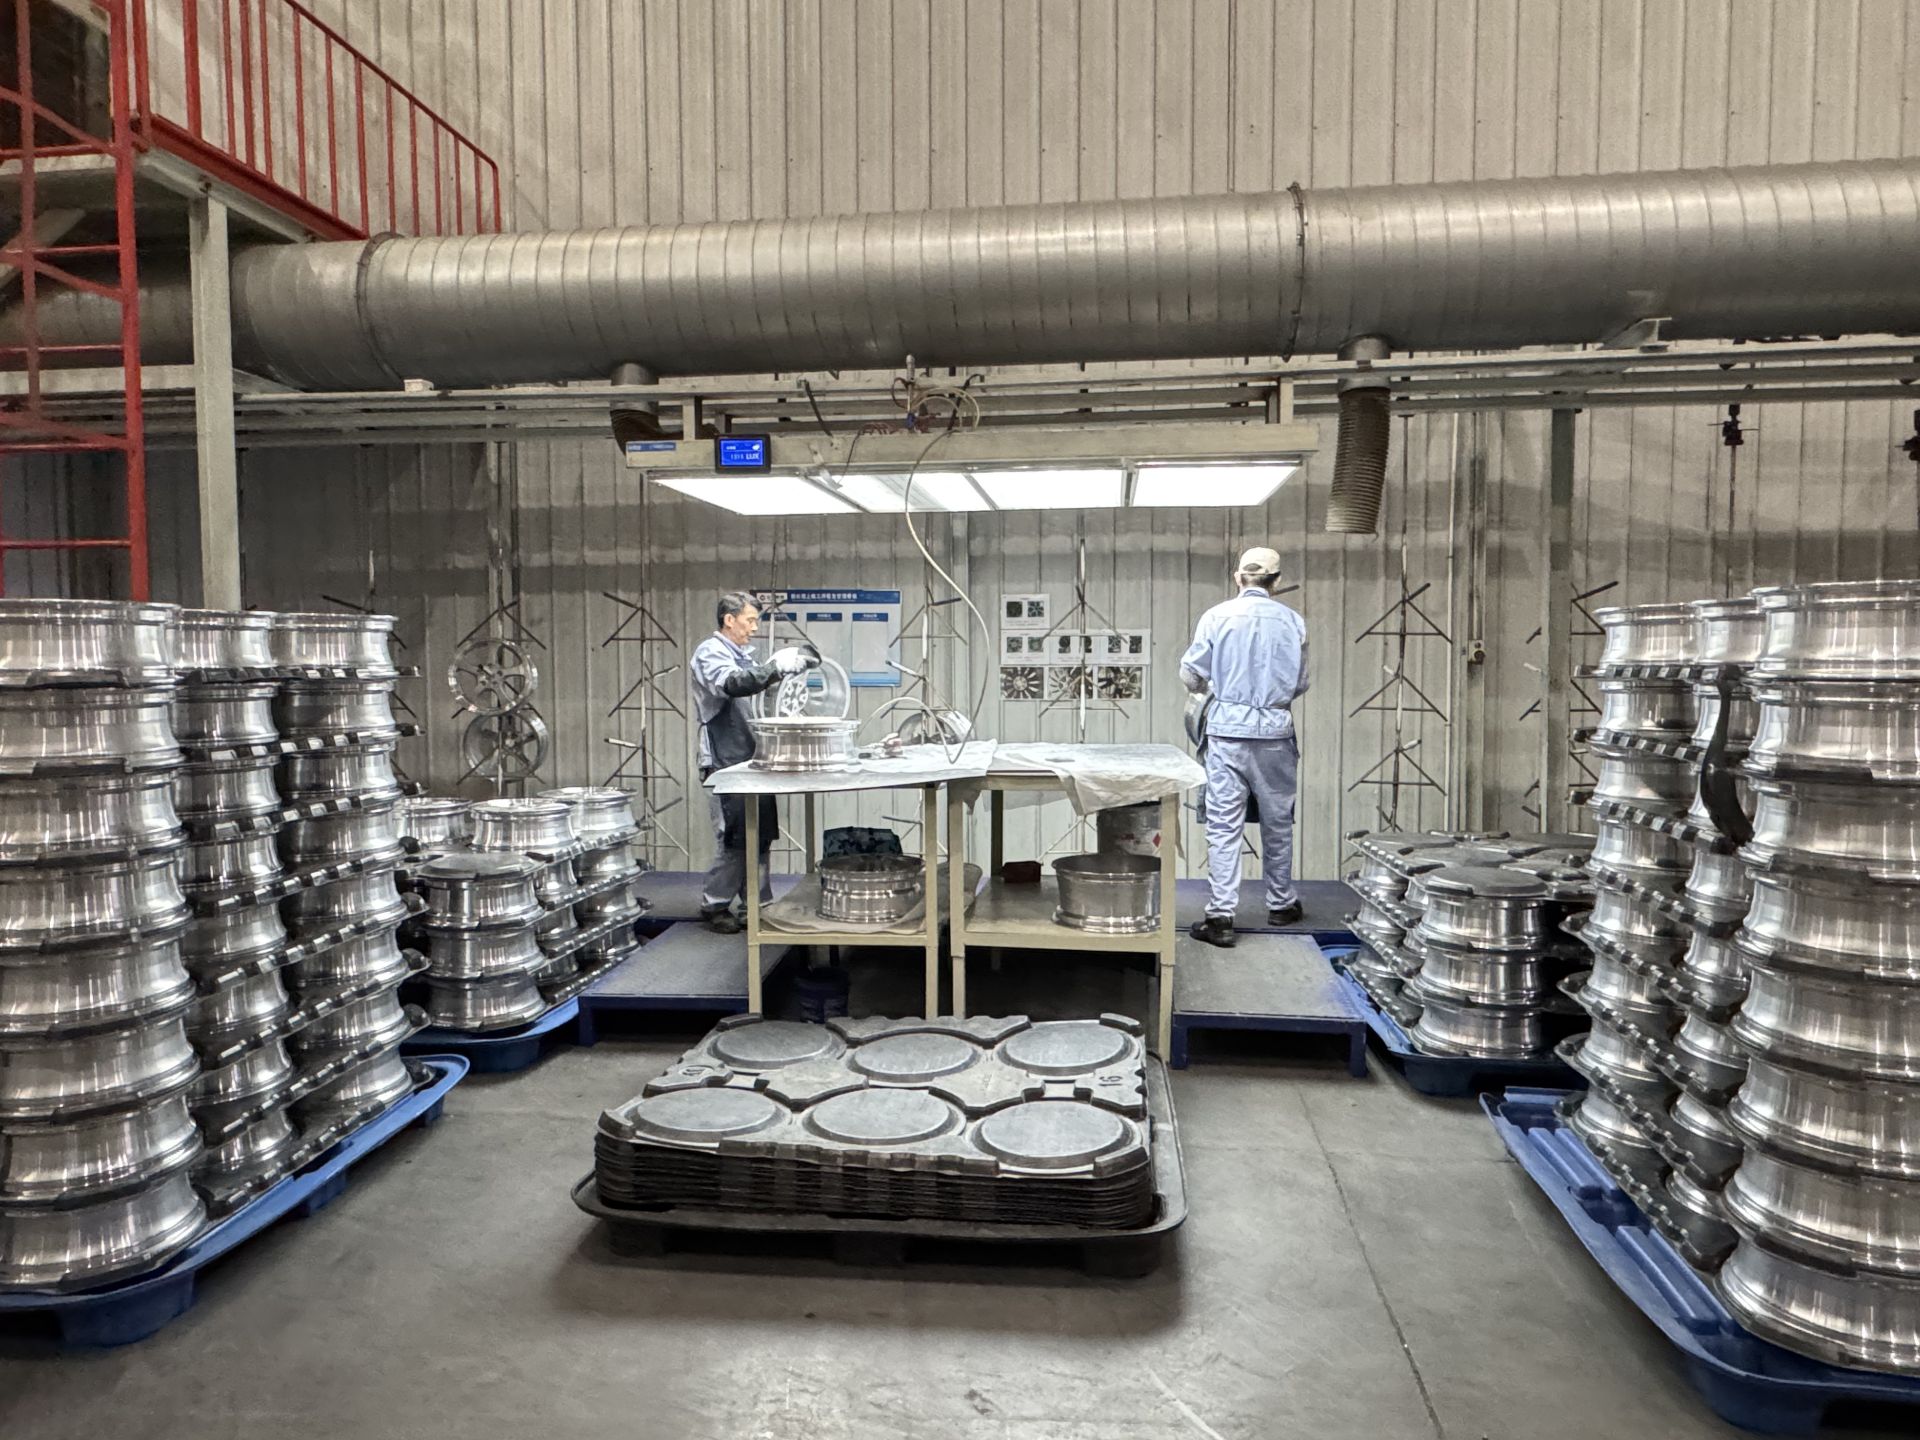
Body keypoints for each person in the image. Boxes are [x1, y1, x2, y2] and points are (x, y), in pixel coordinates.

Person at [1179, 547, 1310, 947]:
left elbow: (1190, 674)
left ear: (1238, 578)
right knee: (1277, 821)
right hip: (1275, 733)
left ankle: (1220, 917)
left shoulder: (1216, 616)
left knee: (1223, 825)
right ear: (1276, 581)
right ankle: (1281, 903)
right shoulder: (1293, 621)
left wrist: (1215, 688)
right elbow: (1301, 683)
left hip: (1226, 733)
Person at [690, 591, 816, 933]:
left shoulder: (744, 657)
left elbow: (761, 696)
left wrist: (785, 676)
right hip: (725, 761)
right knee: (734, 839)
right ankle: (715, 905)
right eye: (750, 620)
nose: (755, 628)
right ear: (729, 620)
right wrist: (775, 668)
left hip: (755, 759)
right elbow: (732, 685)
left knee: (760, 835)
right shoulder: (711, 653)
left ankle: (756, 906)